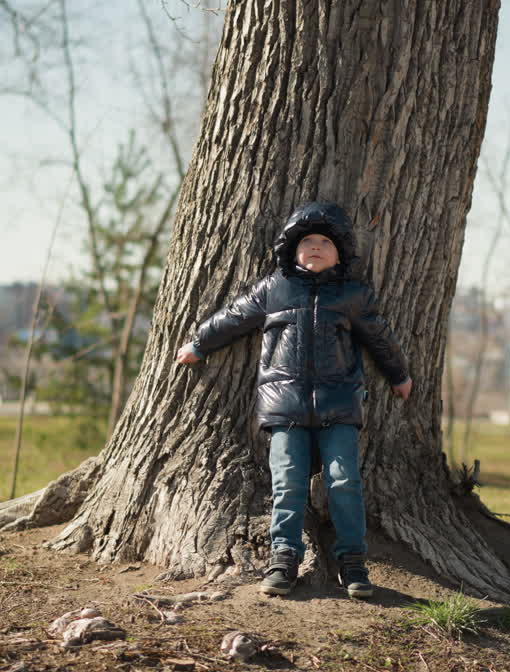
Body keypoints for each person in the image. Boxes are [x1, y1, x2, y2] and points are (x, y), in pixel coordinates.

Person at [175, 201, 411, 599]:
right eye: (307, 241)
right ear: (291, 249)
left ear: (341, 252)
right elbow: (233, 317)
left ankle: (352, 560)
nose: (316, 247)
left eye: (325, 241)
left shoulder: (353, 294)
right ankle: (284, 556)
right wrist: (200, 342)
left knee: (344, 481)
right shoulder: (274, 288)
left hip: (339, 405)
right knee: (288, 482)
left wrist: (398, 373)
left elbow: (379, 337)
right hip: (284, 406)